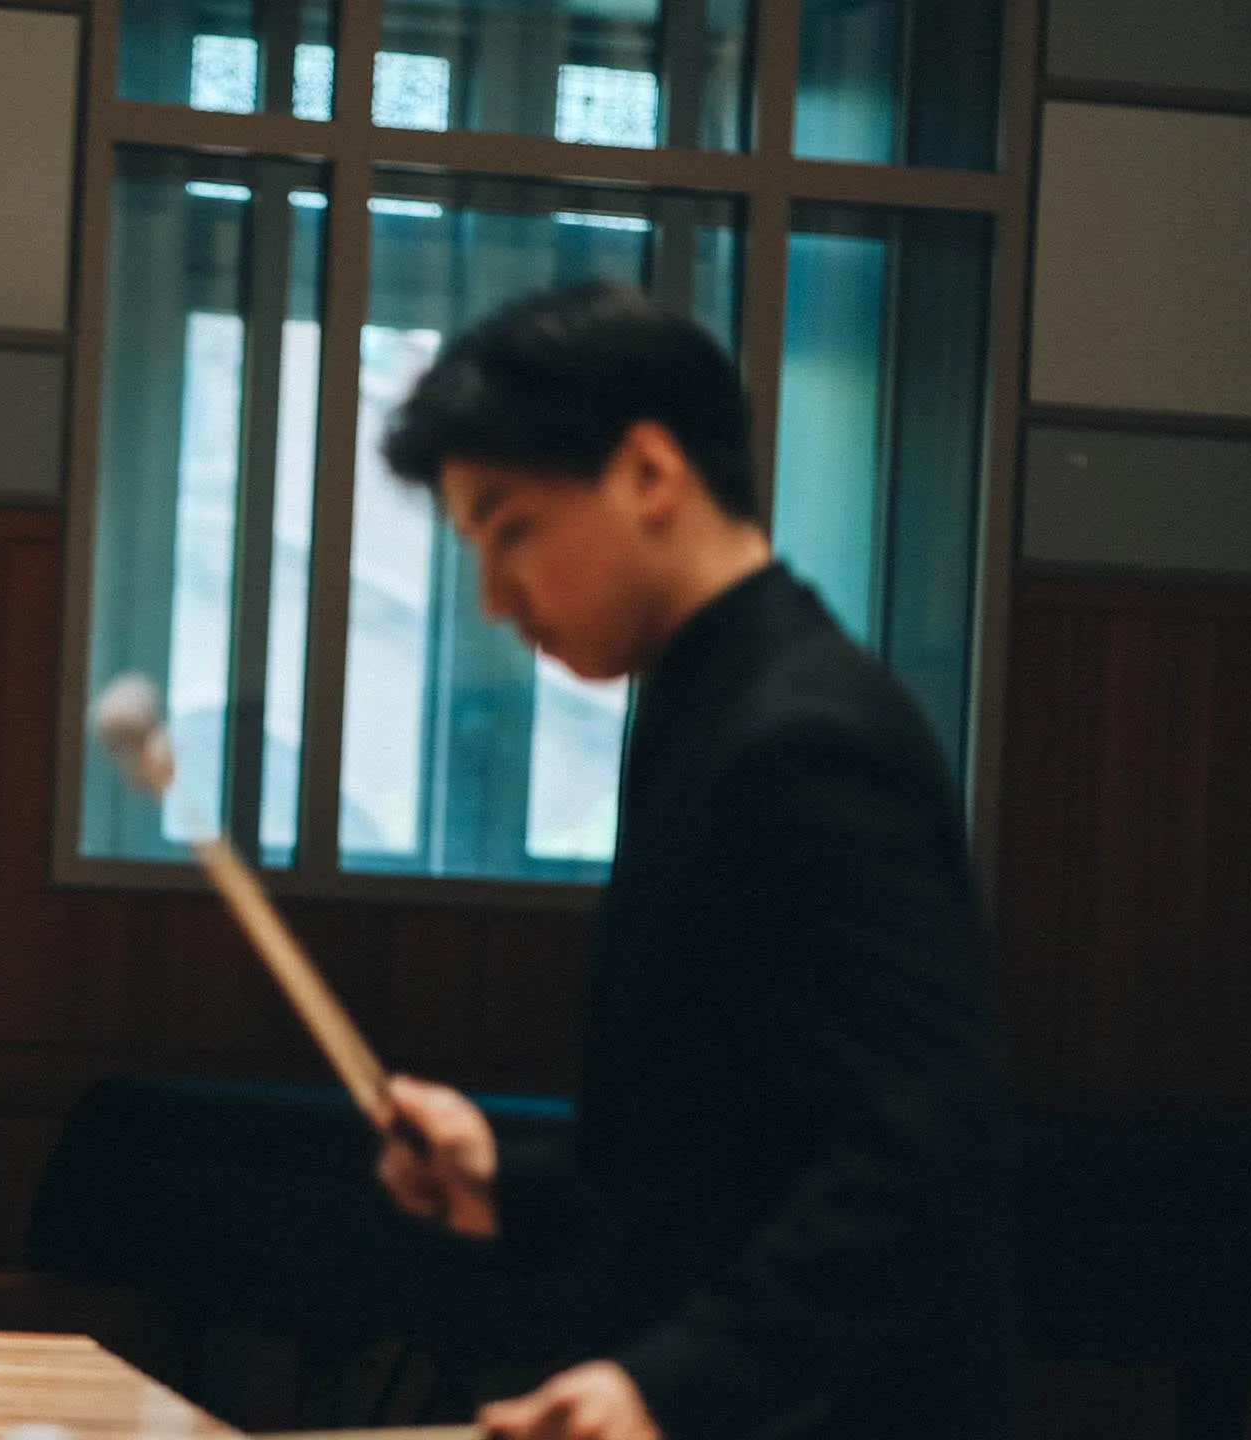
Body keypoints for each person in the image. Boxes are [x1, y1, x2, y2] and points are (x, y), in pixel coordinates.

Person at [371, 283, 1019, 1440]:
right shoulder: (708, 701)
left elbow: (920, 1141)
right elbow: (719, 1151)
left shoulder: (800, 734)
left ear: (650, 475)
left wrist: (672, 1384)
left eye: (510, 527)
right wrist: (502, 1179)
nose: (494, 598)